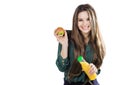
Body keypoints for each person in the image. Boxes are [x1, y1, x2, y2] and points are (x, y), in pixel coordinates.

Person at [54, 4, 106, 85]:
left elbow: (97, 68)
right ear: (76, 22)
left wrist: (94, 69)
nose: (85, 23)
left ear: (93, 20)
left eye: (88, 19)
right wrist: (65, 44)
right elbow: (62, 67)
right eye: (80, 20)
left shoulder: (98, 42)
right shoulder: (66, 37)